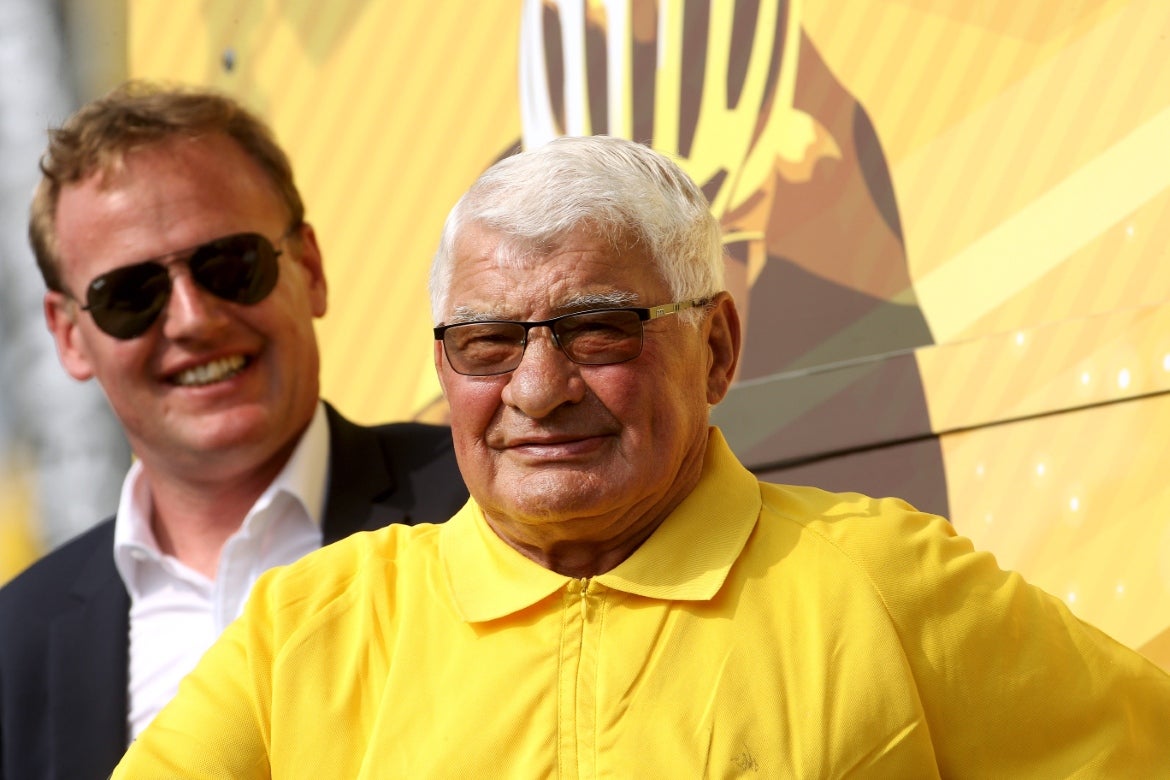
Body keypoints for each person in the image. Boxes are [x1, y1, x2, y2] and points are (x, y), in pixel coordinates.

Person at [114, 135, 1170, 777]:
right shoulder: (313, 633)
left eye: (600, 329)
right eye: (487, 341)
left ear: (714, 349)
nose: (537, 389)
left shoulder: (889, 585)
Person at [0, 81, 468, 780]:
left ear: (309, 268)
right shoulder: (16, 644)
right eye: (131, 295)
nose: (192, 319)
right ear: (69, 334)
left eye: (229, 265)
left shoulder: (486, 507)